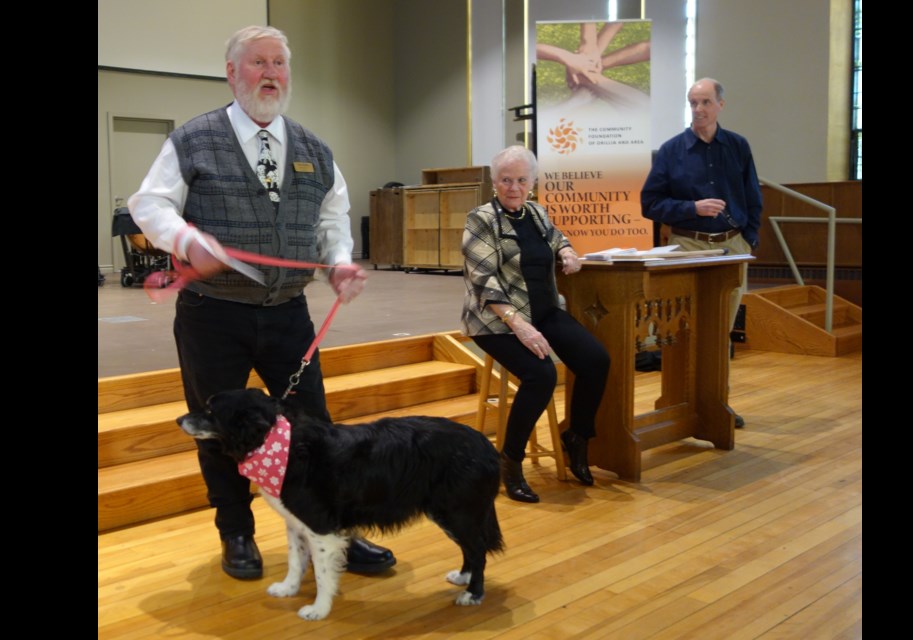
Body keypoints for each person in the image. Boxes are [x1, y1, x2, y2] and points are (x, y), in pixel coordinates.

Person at [128, 25, 395, 580]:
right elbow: (149, 204)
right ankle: (237, 535)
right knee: (218, 430)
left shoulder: (315, 149)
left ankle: (336, 529)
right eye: (258, 63)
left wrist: (340, 261)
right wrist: (186, 241)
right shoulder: (193, 140)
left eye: (279, 63)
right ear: (232, 73)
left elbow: (330, 221)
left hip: (288, 316)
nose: (271, 73)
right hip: (213, 317)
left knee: (316, 429)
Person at [461, 146, 610, 503]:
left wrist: (567, 252)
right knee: (541, 374)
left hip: (543, 311)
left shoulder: (537, 213)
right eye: (506, 180)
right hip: (494, 320)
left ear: (533, 182)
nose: (514, 187)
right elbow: (483, 278)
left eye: (521, 180)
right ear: (494, 182)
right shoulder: (480, 218)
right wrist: (519, 326)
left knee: (596, 360)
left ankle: (576, 437)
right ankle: (509, 462)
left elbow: (556, 237)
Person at [640, 78, 763, 428]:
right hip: (688, 246)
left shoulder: (738, 146)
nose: (698, 109)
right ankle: (681, 403)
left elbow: (753, 197)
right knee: (683, 329)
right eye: (693, 102)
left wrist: (748, 238)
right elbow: (650, 204)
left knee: (719, 329)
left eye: (705, 102)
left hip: (731, 246)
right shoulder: (671, 150)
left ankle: (715, 403)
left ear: (720, 105)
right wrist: (692, 208)